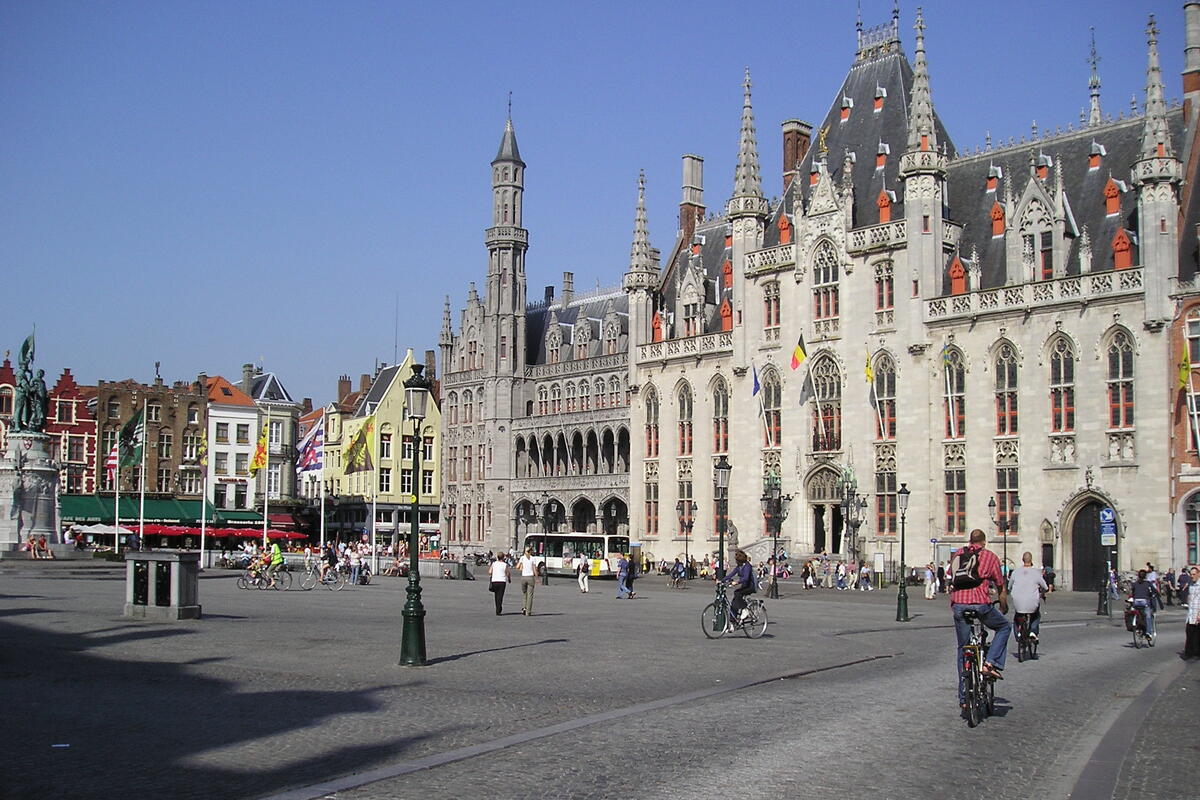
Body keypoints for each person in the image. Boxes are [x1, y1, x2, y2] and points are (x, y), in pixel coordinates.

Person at [950, 529, 1011, 705]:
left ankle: (963, 696)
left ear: (970, 541)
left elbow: (951, 577)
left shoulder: (958, 554)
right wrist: (1003, 603)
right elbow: (1000, 584)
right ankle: (990, 663)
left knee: (963, 648)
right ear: (984, 542)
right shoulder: (990, 556)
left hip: (959, 605)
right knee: (1004, 627)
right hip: (980, 604)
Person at [1009, 551, 1048, 646]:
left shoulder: (1015, 572)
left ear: (1023, 560)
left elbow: (1009, 586)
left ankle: (1018, 634)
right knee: (1036, 615)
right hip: (1032, 602)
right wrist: (1042, 593)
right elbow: (1045, 587)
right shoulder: (1036, 573)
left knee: (1017, 618)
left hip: (1018, 602)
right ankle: (1033, 632)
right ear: (1031, 560)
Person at [723, 549, 756, 626]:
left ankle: (745, 609)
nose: (736, 561)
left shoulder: (747, 566)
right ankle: (733, 622)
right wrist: (721, 580)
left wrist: (737, 582)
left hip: (750, 586)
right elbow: (731, 574)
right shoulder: (739, 567)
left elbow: (746, 578)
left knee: (737, 593)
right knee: (733, 604)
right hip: (744, 586)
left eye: (736, 560)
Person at [1129, 569, 1157, 640]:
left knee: (1137, 612)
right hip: (1144, 601)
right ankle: (1148, 632)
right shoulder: (1147, 583)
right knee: (1148, 616)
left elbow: (1132, 592)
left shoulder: (1135, 583)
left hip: (1136, 602)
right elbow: (1154, 591)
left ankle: (1138, 626)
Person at [1184, 566, 1200, 660]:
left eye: (1194, 574)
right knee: (1189, 632)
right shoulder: (1191, 584)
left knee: (1197, 635)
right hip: (1191, 613)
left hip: (1198, 612)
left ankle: (1196, 653)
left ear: (1198, 574)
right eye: (1191, 574)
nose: (1192, 576)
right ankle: (1189, 653)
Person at [517, 547, 537, 615]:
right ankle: (528, 612)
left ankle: (524, 607)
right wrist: (537, 578)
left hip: (523, 577)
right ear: (531, 551)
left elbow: (517, 567)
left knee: (524, 593)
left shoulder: (522, 558)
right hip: (530, 577)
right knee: (530, 595)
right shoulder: (533, 558)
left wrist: (521, 566)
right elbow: (534, 569)